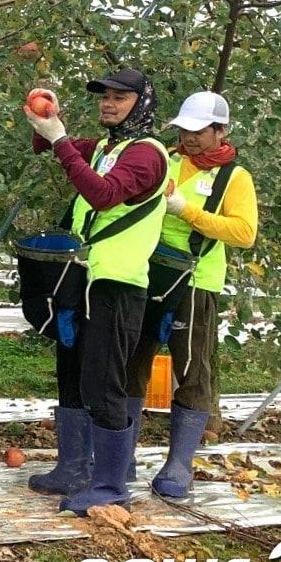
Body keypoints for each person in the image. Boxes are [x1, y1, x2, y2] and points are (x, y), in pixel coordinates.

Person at [22, 68, 167, 514]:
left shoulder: (146, 155)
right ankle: (73, 468)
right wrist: (48, 120)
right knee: (76, 373)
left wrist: (62, 139)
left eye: (120, 97)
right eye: (105, 95)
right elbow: (47, 146)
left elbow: (103, 195)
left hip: (118, 284)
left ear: (140, 103)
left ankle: (110, 486)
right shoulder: (109, 148)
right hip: (86, 279)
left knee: (104, 382)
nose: (108, 103)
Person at [124, 92, 257, 498]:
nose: (190, 138)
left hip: (197, 281)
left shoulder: (234, 177)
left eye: (199, 131)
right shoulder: (166, 157)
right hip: (147, 271)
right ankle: (120, 456)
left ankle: (179, 463)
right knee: (132, 358)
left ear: (221, 131)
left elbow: (244, 233)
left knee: (191, 368)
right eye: (184, 129)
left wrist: (186, 210)